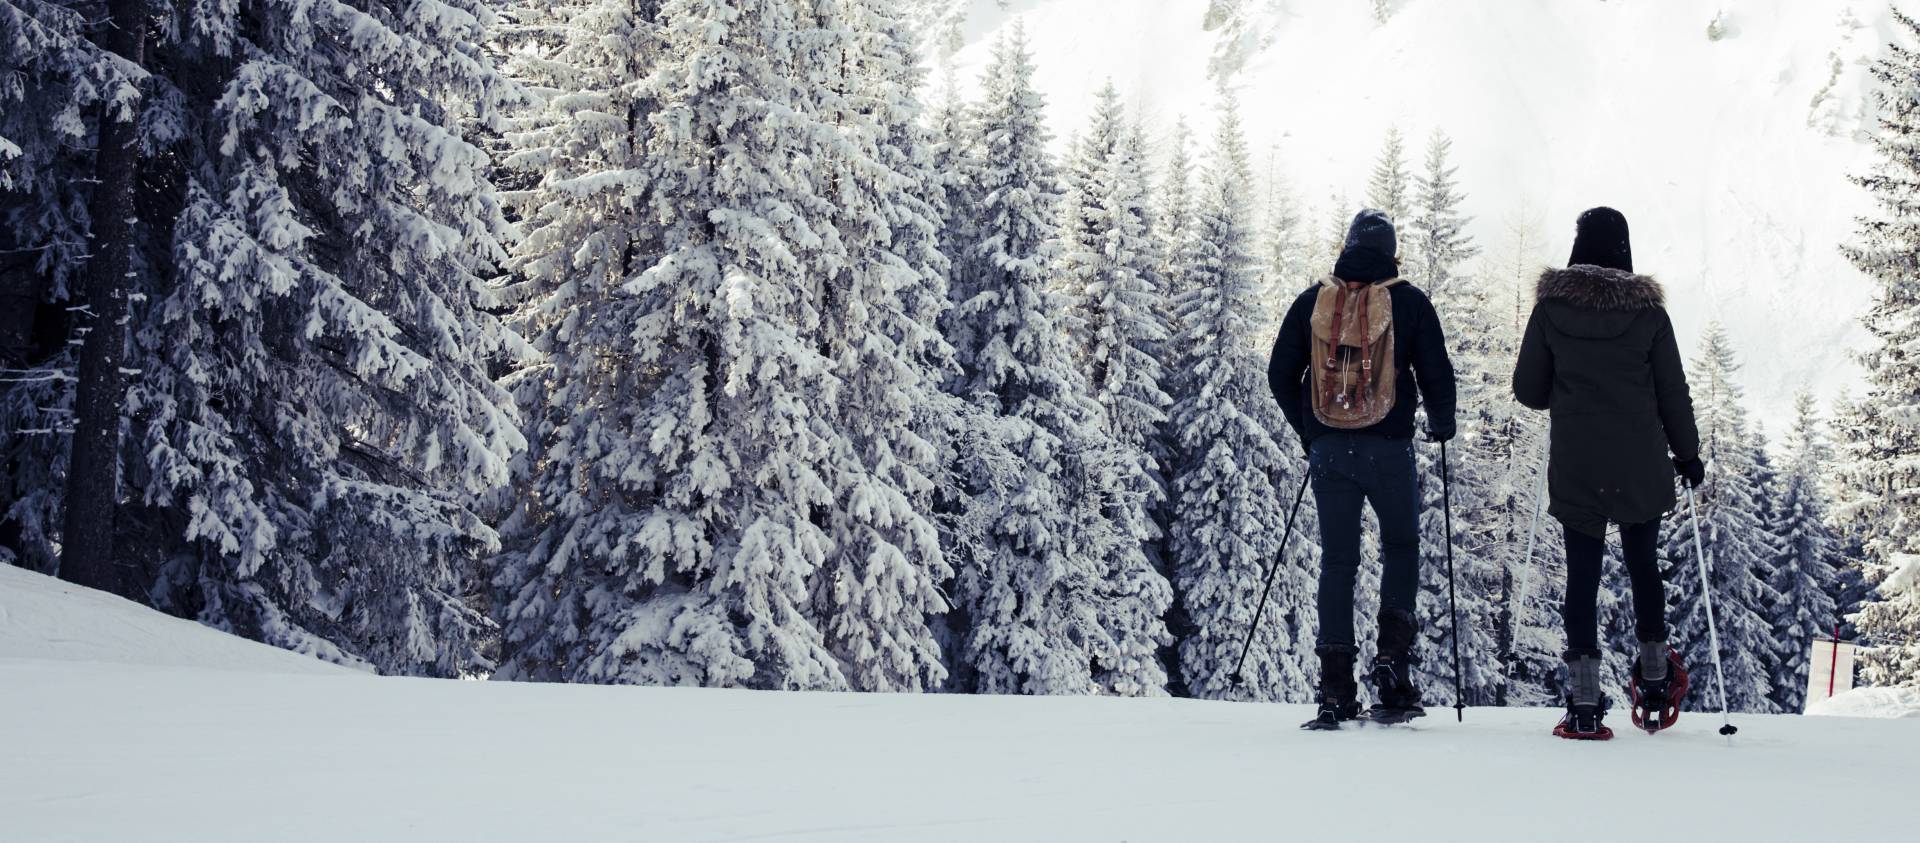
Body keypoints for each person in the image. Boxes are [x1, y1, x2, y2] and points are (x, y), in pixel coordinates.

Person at [1512, 207, 1702, 741]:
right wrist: (1688, 458)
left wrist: (1572, 391)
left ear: (1577, 248)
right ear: (1624, 250)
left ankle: (1585, 699)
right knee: (1644, 567)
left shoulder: (1551, 310)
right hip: (1640, 462)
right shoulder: (1649, 316)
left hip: (1577, 462)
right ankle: (1658, 679)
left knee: (1582, 577)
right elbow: (1673, 395)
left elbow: (1528, 390)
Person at [1269, 209, 1457, 730]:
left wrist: (1312, 431)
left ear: (1347, 247)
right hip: (1390, 448)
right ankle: (1392, 670)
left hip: (1331, 449)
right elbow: (1438, 373)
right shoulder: (1410, 302)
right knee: (1400, 548)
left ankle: (1335, 690)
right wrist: (1442, 425)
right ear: (1392, 253)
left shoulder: (1313, 302)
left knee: (1338, 563)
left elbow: (1279, 373)